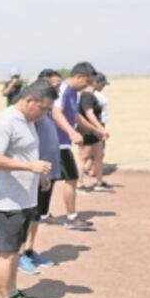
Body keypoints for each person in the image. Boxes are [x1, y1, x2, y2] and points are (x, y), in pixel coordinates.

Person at [0, 80, 56, 298]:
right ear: (29, 101)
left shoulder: (29, 121)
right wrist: (30, 167)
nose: (46, 114)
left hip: (25, 196)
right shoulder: (6, 121)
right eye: (44, 108)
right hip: (8, 200)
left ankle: (13, 292)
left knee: (15, 250)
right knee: (7, 252)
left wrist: (40, 175)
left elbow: (27, 153)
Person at [19, 69, 63, 275]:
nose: (57, 89)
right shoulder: (32, 113)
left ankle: (28, 250)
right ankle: (19, 255)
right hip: (34, 172)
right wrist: (36, 170)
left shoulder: (47, 108)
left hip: (47, 171)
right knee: (27, 215)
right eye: (54, 86)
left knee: (38, 214)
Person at [51, 62, 96, 230]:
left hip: (62, 142)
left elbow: (75, 115)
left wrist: (96, 129)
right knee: (71, 178)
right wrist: (71, 132)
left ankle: (41, 214)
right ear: (79, 77)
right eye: (87, 81)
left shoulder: (73, 93)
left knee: (49, 180)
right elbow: (56, 113)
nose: (88, 86)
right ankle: (71, 218)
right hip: (57, 143)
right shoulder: (63, 89)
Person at [76, 74, 109, 193]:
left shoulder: (92, 95)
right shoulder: (87, 96)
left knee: (99, 155)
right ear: (95, 82)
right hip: (87, 131)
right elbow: (89, 113)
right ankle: (79, 184)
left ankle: (99, 182)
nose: (103, 86)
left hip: (94, 132)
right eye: (102, 84)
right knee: (83, 157)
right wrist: (101, 128)